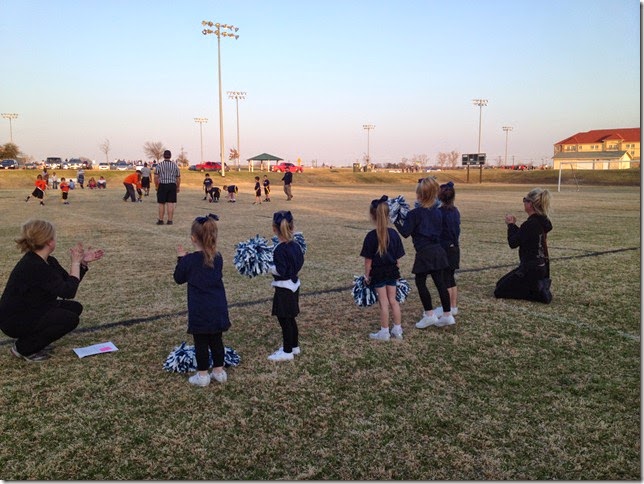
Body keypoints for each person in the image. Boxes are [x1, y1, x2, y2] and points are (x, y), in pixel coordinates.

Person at [0, 219, 104, 362]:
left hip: (32, 309)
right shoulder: (34, 265)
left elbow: (68, 282)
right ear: (49, 241)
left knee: (74, 308)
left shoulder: (47, 261)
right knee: (69, 319)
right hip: (15, 320)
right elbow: (68, 292)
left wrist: (82, 263)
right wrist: (75, 262)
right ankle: (23, 348)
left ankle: (34, 340)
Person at [174, 213, 231, 386]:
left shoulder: (189, 260)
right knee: (216, 340)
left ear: (193, 238)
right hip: (217, 307)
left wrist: (180, 258)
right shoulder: (218, 257)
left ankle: (203, 375)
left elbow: (178, 278)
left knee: (201, 343)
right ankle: (219, 372)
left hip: (199, 309)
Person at [395, 177, 454, 328]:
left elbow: (405, 232)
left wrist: (395, 219)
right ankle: (447, 314)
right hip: (438, 250)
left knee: (420, 282)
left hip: (424, 252)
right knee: (440, 283)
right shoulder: (438, 212)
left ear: (420, 195)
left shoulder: (415, 214)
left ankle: (429, 314)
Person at [494, 188, 553, 303]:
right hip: (540, 267)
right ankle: (535, 287)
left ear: (531, 204)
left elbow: (513, 243)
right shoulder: (541, 221)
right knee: (500, 284)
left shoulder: (530, 224)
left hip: (530, 269)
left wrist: (511, 225)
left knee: (500, 291)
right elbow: (524, 235)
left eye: (525, 200)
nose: (524, 202)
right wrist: (513, 225)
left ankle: (538, 293)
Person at [360, 196, 406, 341]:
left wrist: (367, 275)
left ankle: (384, 332)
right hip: (392, 271)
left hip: (378, 273)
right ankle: (398, 330)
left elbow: (368, 261)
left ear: (372, 216)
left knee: (384, 302)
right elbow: (398, 259)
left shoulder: (370, 236)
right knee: (393, 300)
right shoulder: (394, 234)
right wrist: (397, 270)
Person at [268, 210, 304, 361]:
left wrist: (268, 267)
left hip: (284, 288)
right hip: (294, 285)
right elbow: (300, 262)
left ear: (274, 229)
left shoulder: (279, 249)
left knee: (284, 320)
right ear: (292, 227)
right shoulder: (296, 245)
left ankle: (287, 351)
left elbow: (280, 270)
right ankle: (294, 346)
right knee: (291, 318)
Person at [434, 181, 460, 316]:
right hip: (455, 248)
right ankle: (453, 306)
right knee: (451, 278)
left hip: (445, 248)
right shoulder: (455, 211)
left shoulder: (439, 213)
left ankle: (447, 308)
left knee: (445, 280)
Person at [154, 150, 181, 225]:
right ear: (170, 156)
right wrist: (178, 186)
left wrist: (156, 186)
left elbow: (156, 177)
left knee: (161, 203)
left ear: (163, 156)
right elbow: (178, 178)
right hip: (172, 185)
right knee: (170, 203)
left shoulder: (159, 165)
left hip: (162, 185)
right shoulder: (175, 166)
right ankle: (170, 220)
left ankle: (161, 220)